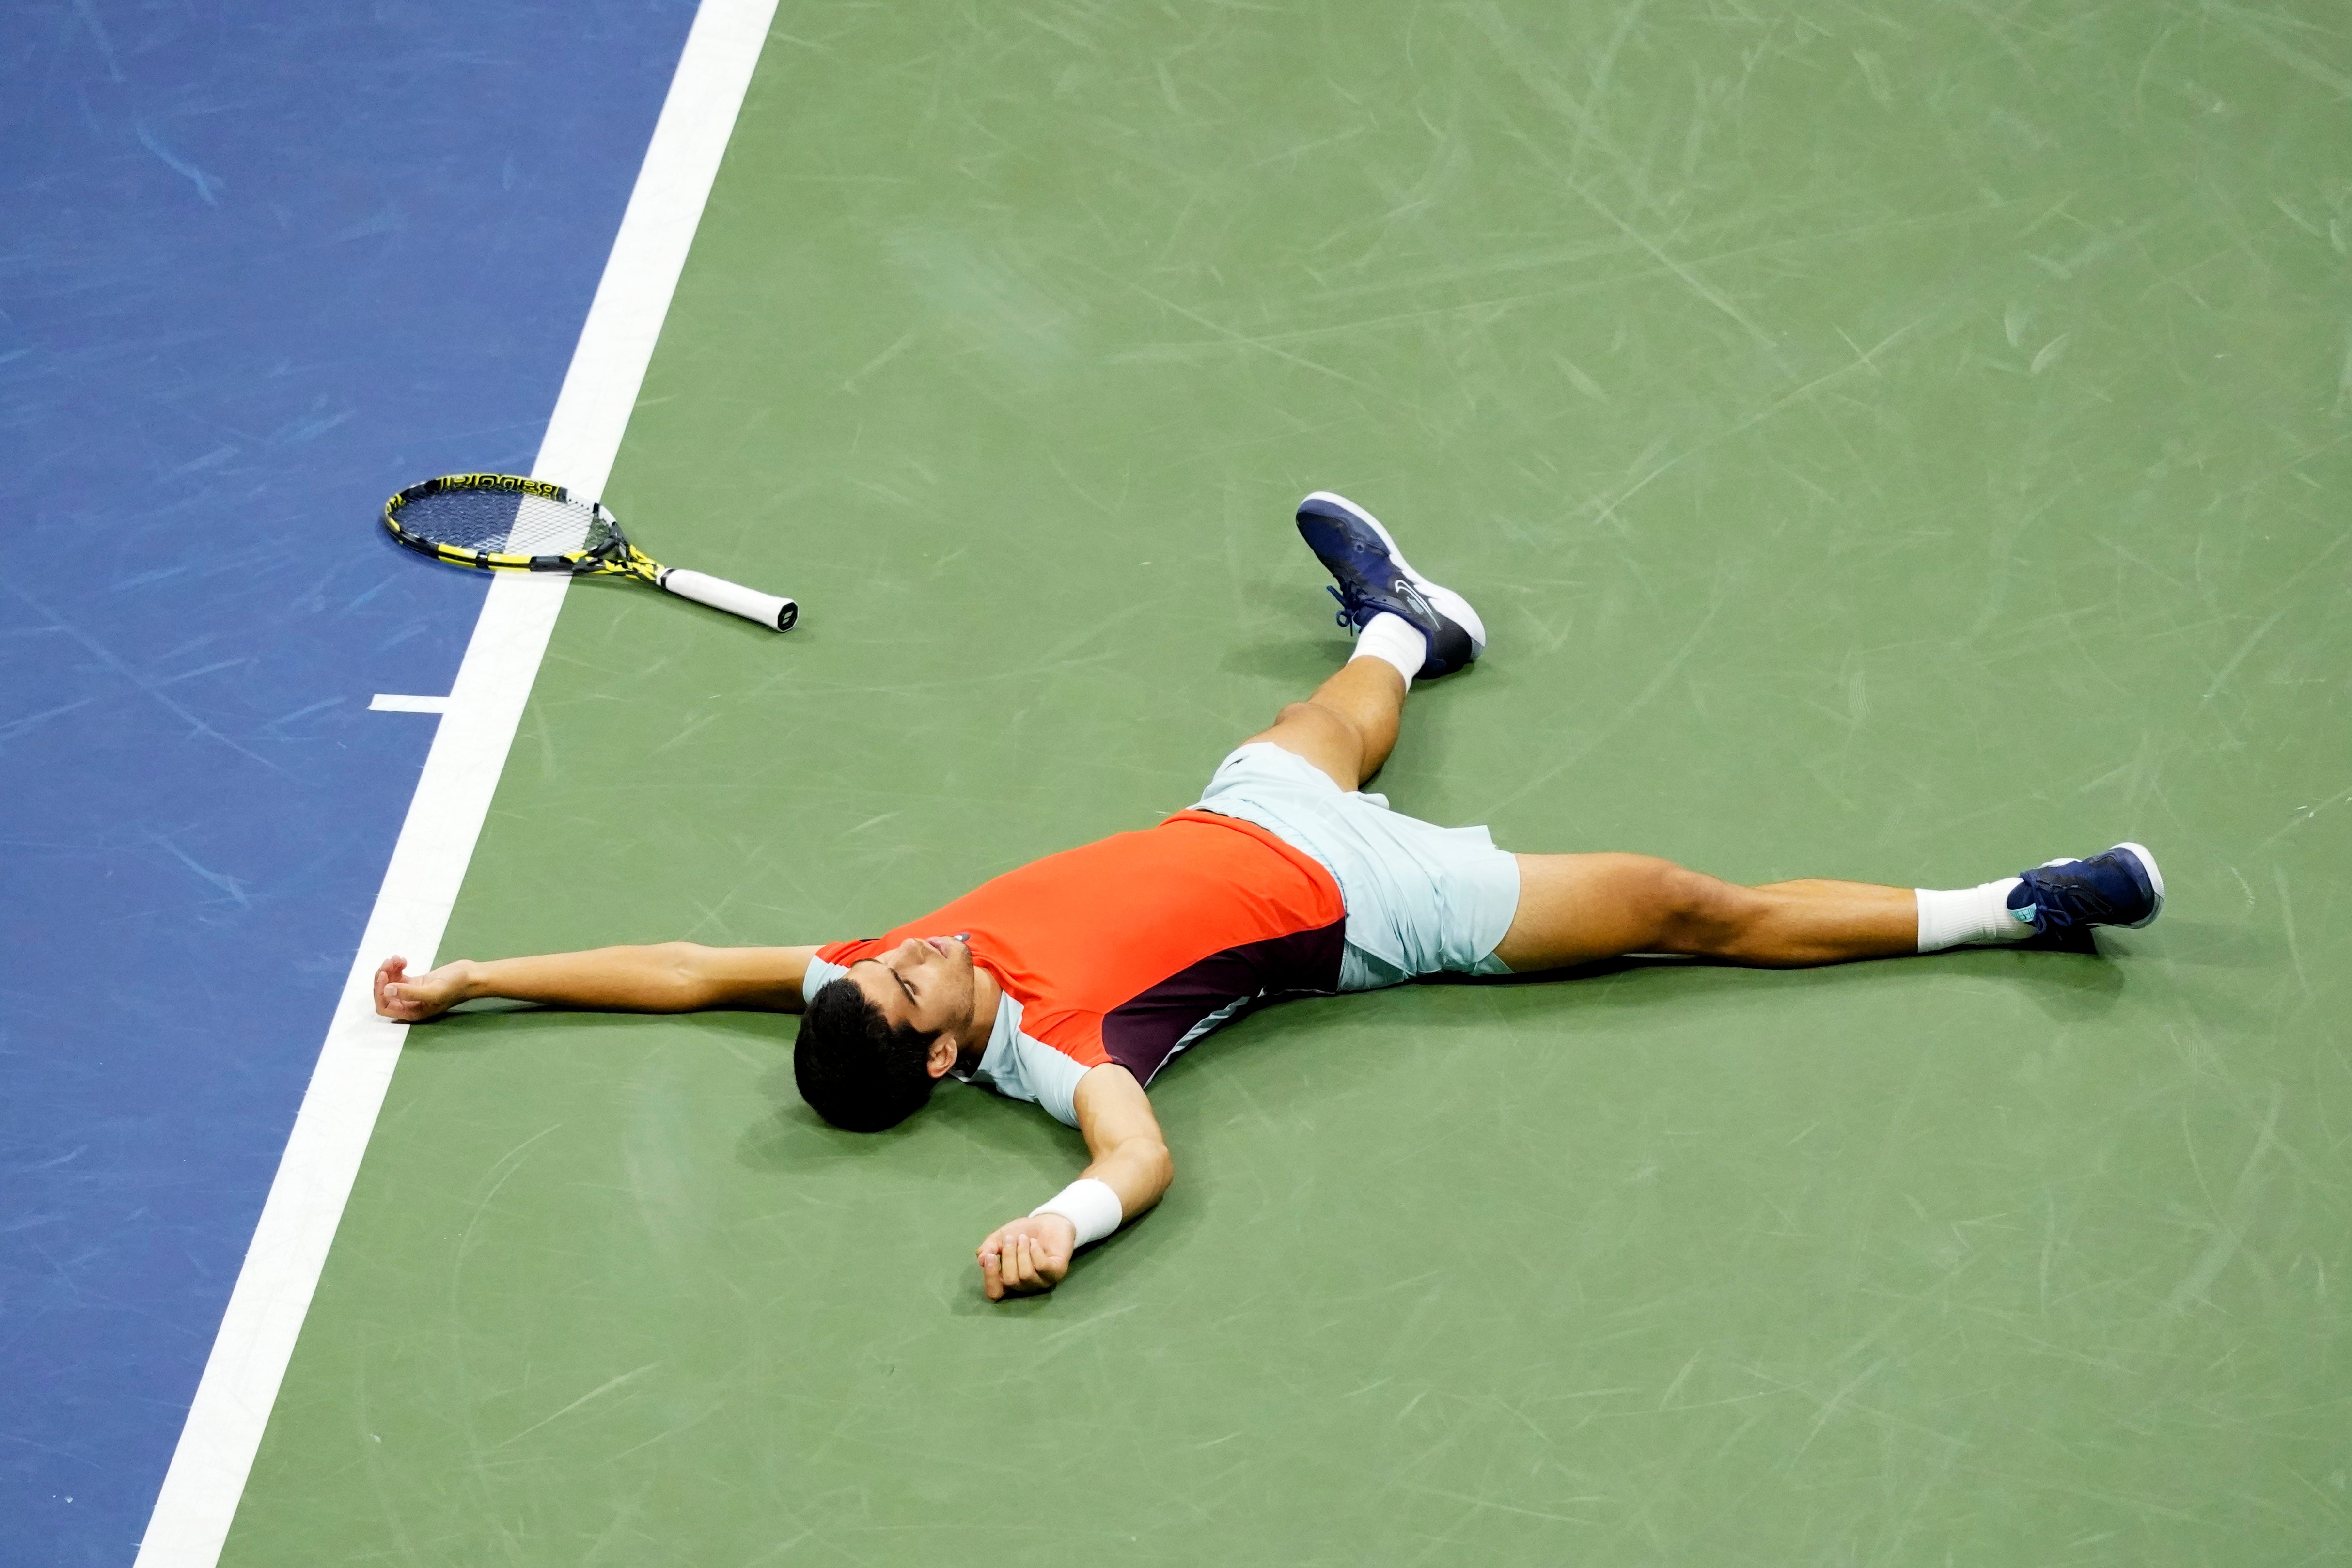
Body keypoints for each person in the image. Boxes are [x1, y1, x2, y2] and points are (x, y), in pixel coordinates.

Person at [374, 491, 2165, 1301]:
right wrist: (1059, 1227)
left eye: (899, 963)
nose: (916, 951)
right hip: (1385, 909)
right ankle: (2021, 904)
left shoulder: (859, 973)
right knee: (1693, 902)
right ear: (938, 1069)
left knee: (1327, 713)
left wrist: (473, 978)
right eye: (923, 992)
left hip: (1246, 808)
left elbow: (688, 968)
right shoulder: (1065, 1059)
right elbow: (1139, 1161)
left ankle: (1411, 623)